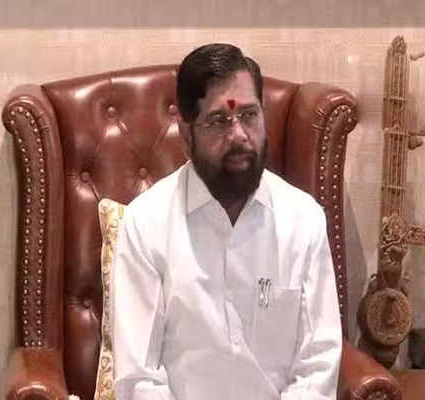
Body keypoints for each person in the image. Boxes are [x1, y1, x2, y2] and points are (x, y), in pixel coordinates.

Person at [111, 43, 342, 400]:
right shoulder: (146, 225)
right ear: (186, 137)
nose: (239, 135)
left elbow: (317, 366)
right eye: (219, 121)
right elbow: (139, 378)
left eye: (249, 115)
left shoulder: (303, 221)